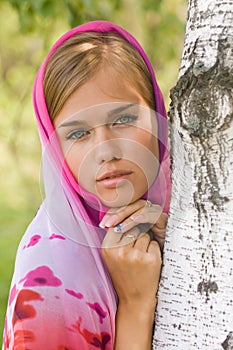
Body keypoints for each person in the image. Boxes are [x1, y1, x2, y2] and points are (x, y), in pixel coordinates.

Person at [3, 21, 171, 350]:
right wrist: (134, 307)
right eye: (78, 134)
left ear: (157, 112)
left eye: (123, 119)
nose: (106, 151)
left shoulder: (195, 206)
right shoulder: (51, 282)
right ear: (55, 150)